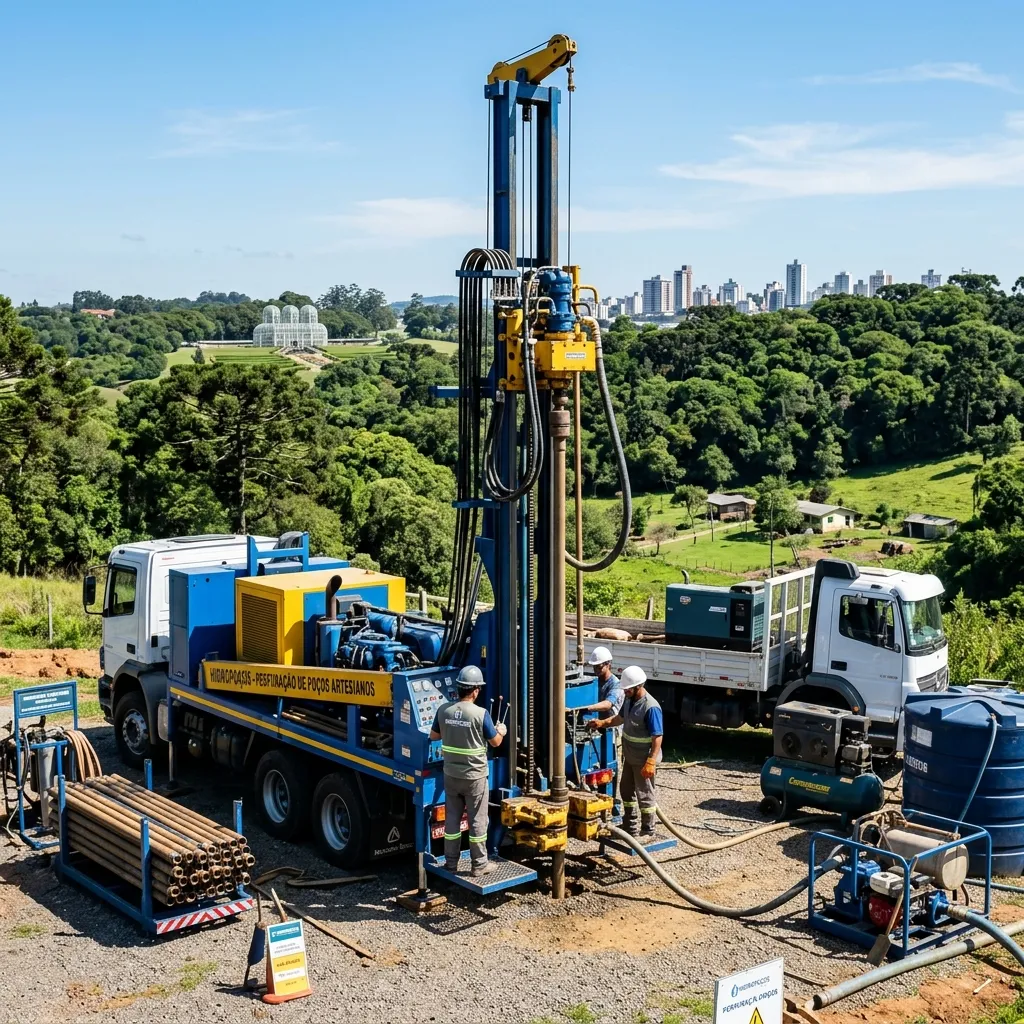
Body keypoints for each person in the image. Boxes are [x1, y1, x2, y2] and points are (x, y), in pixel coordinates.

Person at [429, 665, 506, 877]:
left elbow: (434, 736)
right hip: (474, 777)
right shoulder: (481, 714)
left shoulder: (443, 710)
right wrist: (501, 730)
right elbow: (496, 742)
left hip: (451, 775)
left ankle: (450, 863)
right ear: (475, 691)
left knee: (452, 820)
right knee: (477, 821)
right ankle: (479, 864)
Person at [588, 665, 663, 838]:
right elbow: (620, 718)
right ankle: (630, 826)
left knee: (645, 794)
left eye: (628, 689)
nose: (625, 692)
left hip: (643, 759)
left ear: (639, 686)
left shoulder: (650, 707)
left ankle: (648, 830)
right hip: (630, 757)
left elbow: (657, 737)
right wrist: (602, 723)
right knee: (626, 790)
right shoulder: (629, 700)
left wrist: (651, 761)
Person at [583, 646, 624, 812]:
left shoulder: (616, 685)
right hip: (598, 728)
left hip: (612, 732)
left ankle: (613, 804)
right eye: (594, 667)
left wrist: (586, 708)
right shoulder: (596, 681)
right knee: (597, 767)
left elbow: (608, 704)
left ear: (608, 664)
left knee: (611, 769)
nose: (596, 670)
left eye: (599, 667)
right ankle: (599, 799)